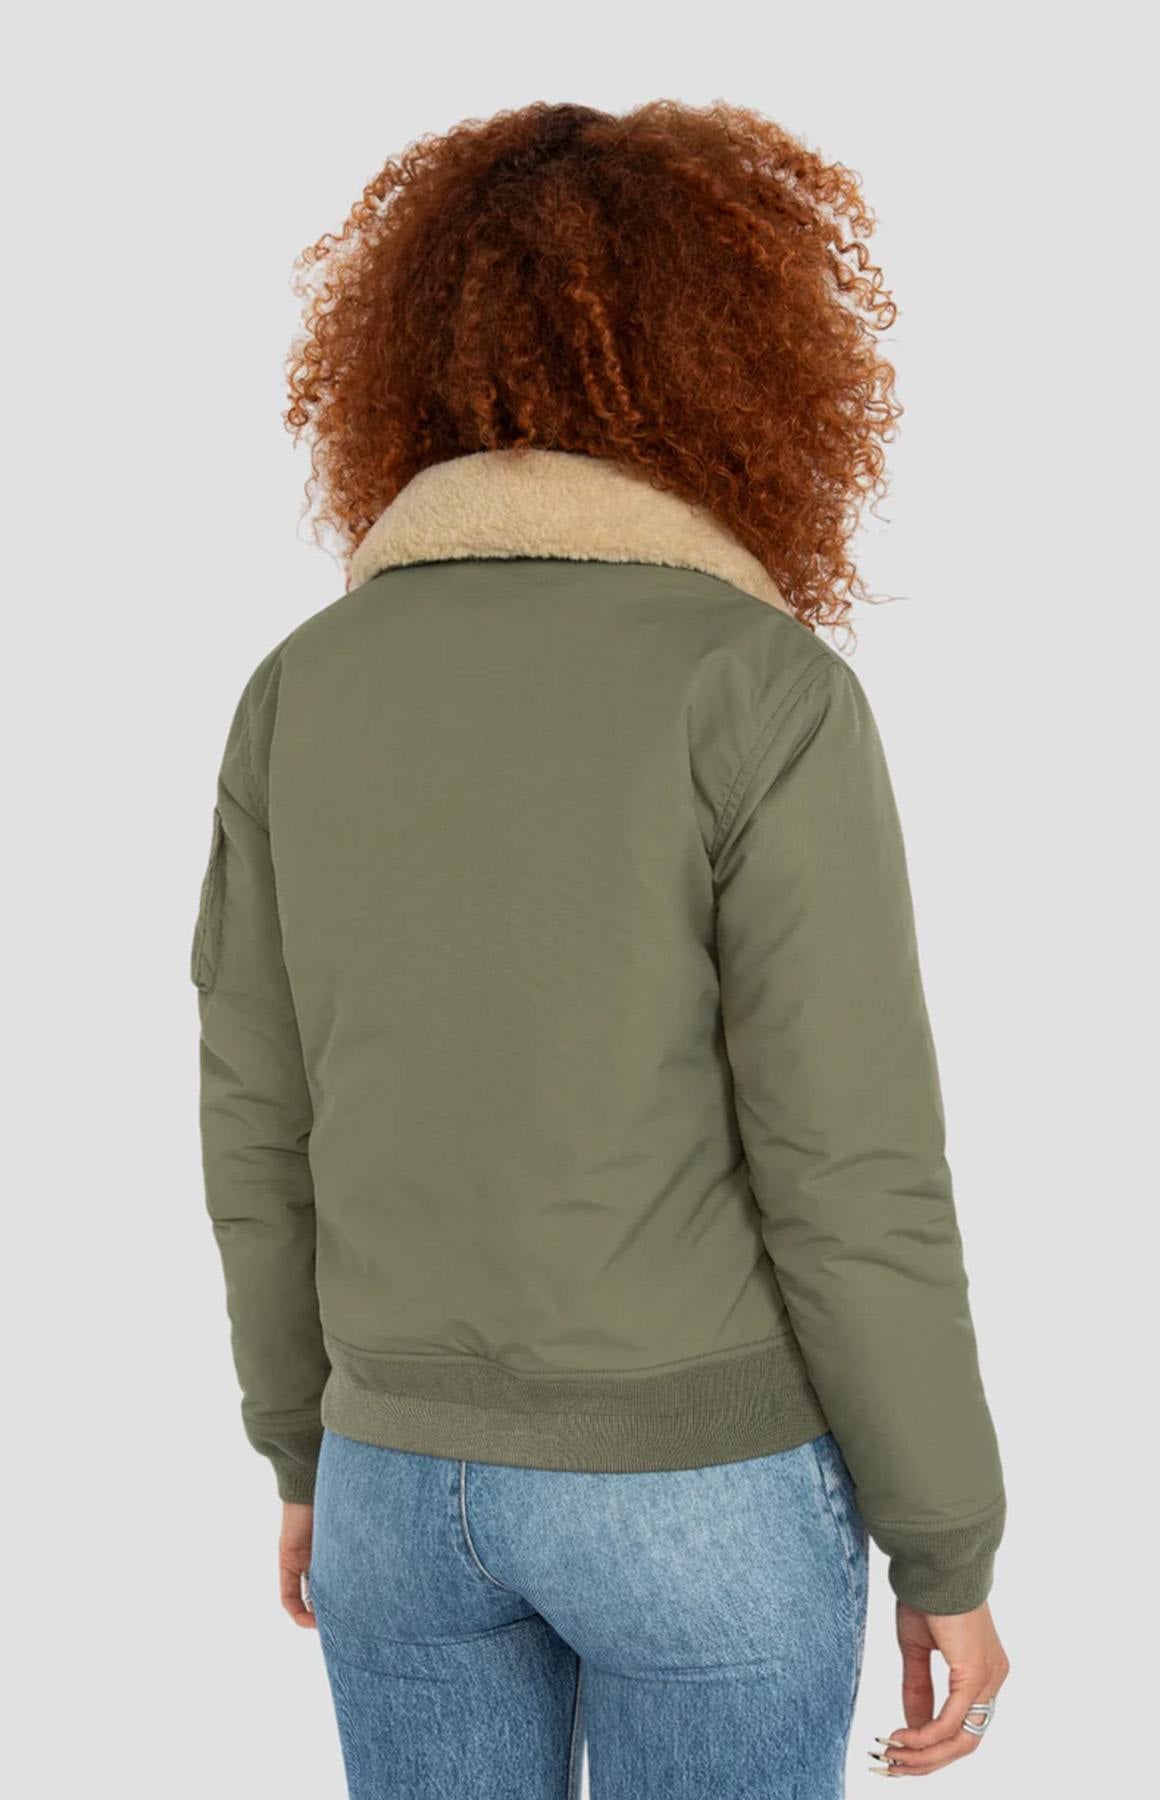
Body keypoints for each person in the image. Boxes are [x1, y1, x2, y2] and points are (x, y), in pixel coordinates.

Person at [192, 100, 1008, 1799]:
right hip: (696, 1490)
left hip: (394, 1481)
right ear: (739, 365)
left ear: (407, 359)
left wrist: (305, 1451)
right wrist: (946, 1541)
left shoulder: (302, 691)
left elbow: (255, 1123)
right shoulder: (758, 688)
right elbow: (849, 1164)